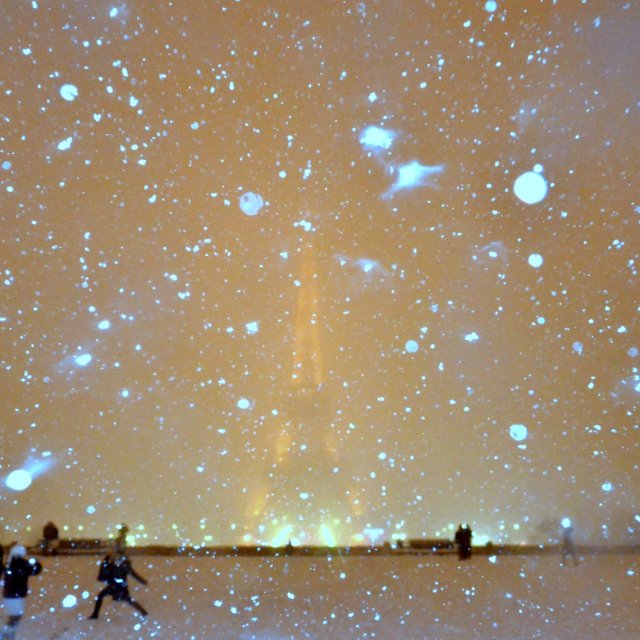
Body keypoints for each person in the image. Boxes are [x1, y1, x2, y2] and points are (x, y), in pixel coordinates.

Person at [88, 552, 148, 619]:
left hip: (120, 587)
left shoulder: (123, 566)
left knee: (127, 599)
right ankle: (95, 614)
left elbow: (134, 574)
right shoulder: (114, 565)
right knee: (102, 596)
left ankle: (143, 612)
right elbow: (105, 570)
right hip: (115, 586)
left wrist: (142, 580)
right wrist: (106, 561)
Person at [1, 544, 42, 640]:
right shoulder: (23, 564)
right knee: (15, 617)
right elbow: (35, 571)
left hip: (8, 595)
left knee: (14, 617)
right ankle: (5, 635)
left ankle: (9, 635)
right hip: (17, 596)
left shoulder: (8, 563)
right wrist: (36, 562)